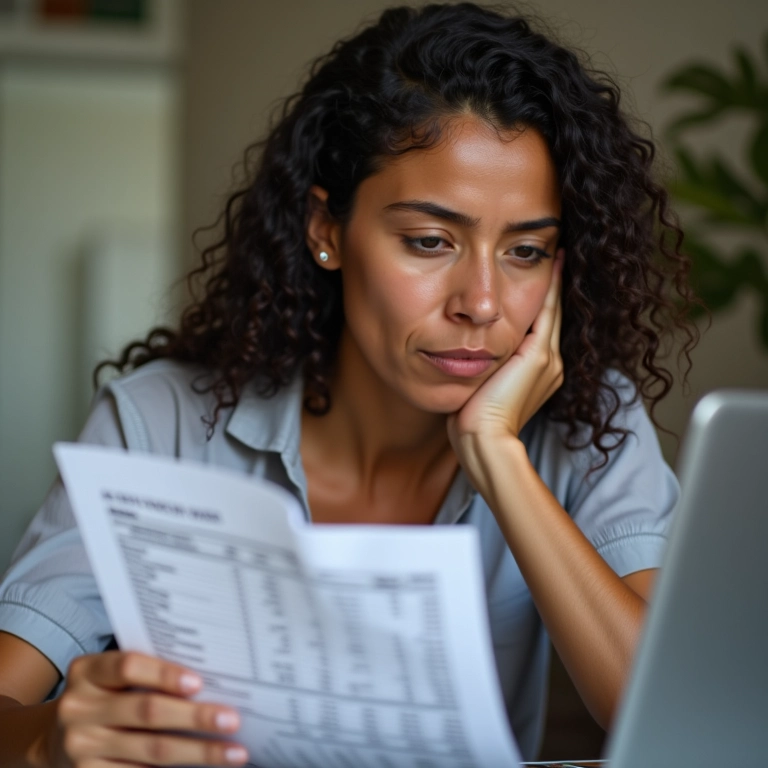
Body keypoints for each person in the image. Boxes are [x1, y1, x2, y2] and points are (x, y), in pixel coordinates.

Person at [0, 3, 697, 766]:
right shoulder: (157, 423)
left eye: (527, 252)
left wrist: (498, 457)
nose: (484, 302)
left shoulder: (590, 421)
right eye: (430, 242)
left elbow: (673, 718)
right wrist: (46, 741)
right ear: (327, 230)